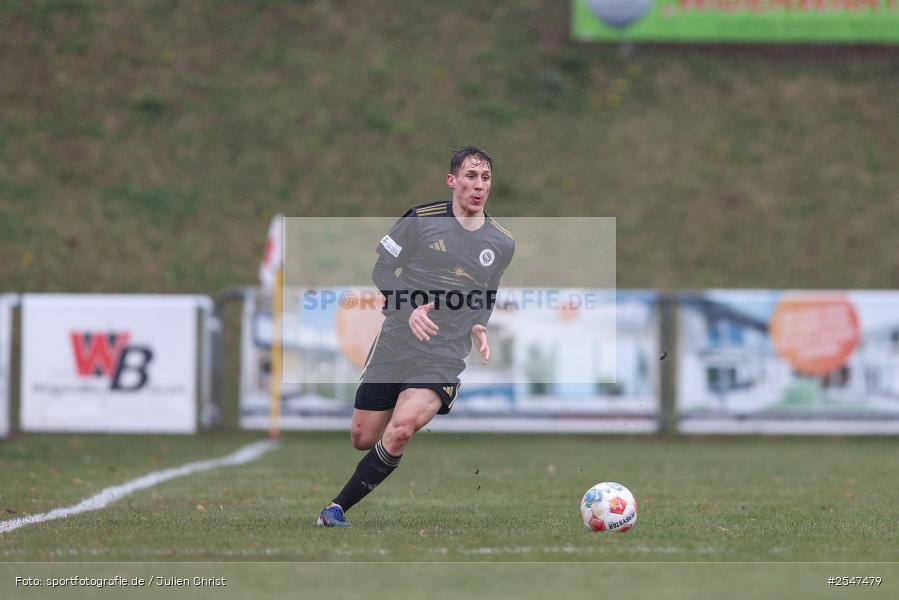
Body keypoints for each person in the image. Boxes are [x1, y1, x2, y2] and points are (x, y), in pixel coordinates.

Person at [317, 146, 515, 526]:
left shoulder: (501, 242)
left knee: (402, 428)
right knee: (362, 437)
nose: (478, 186)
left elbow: (488, 290)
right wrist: (407, 312)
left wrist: (480, 323)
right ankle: (399, 398)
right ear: (451, 180)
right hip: (396, 341)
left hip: (444, 352)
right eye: (470, 177)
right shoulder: (419, 219)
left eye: (485, 178)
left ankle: (335, 509)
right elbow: (382, 271)